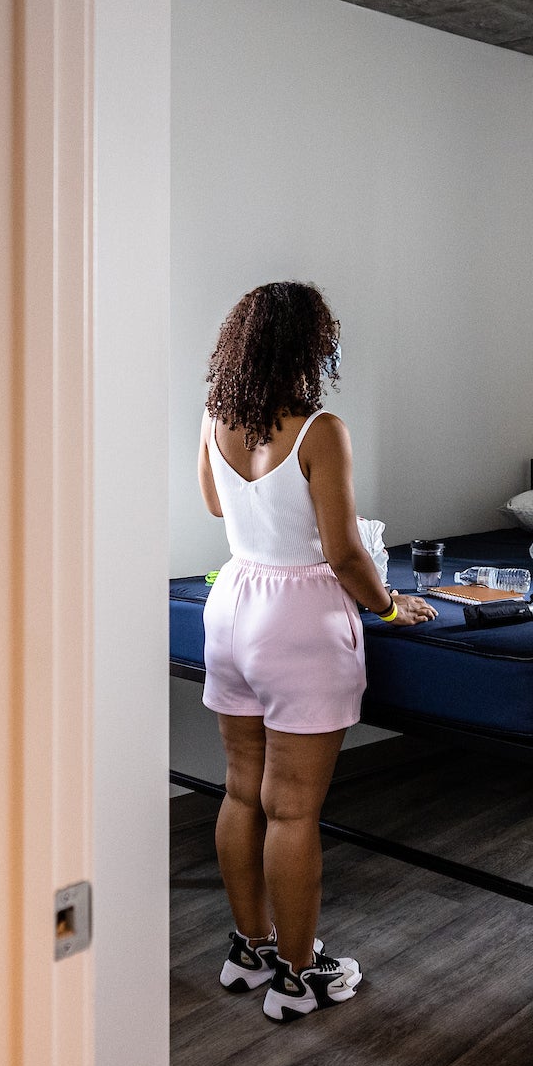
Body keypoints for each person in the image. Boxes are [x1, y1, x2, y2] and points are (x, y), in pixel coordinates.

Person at [197, 281, 434, 1021]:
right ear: (310, 347)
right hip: (298, 619)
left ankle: (251, 947)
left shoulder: (215, 416)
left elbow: (214, 502)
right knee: (292, 809)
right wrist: (392, 606)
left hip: (231, 603)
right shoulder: (320, 430)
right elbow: (343, 553)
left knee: (242, 790)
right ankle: (301, 976)